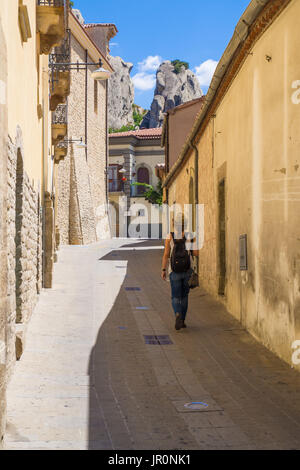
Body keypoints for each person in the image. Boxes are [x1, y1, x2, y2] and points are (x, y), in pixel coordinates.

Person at [161, 214, 199, 330]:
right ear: (185, 224)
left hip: (174, 271)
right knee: (184, 296)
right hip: (187, 270)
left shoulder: (170, 237)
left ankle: (177, 313)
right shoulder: (190, 236)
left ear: (174, 223)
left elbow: (166, 255)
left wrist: (163, 269)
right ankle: (182, 320)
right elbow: (196, 253)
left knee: (175, 297)